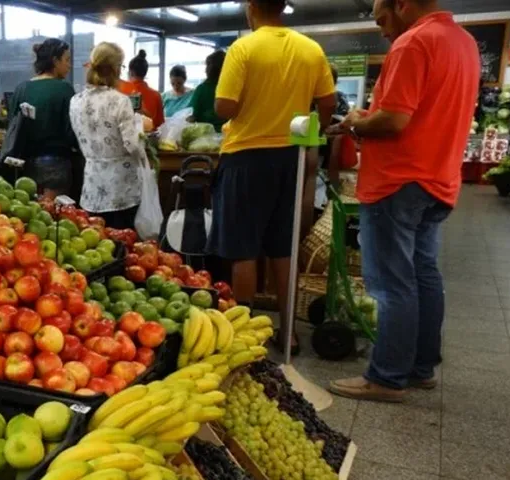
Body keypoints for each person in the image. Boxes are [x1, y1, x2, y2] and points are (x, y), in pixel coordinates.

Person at [327, 0, 479, 402]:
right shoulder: (463, 42)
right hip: (438, 179)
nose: (381, 30)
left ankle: (387, 376)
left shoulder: (414, 42)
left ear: (403, 5)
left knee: (391, 283)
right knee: (423, 275)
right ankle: (419, 368)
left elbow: (394, 120)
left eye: (381, 19)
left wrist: (357, 123)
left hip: (399, 182)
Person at [206, 0, 337, 355]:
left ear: (251, 8)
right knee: (284, 246)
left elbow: (224, 106)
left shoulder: (244, 47)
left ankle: (248, 334)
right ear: (283, 7)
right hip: (290, 158)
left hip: (245, 157)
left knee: (242, 248)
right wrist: (315, 132)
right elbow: (328, 101)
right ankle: (289, 332)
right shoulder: (310, 49)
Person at [69, 42, 147, 229]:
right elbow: (132, 145)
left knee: (97, 242)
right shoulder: (120, 101)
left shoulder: (75, 101)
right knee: (123, 244)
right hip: (121, 189)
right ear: (115, 69)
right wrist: (141, 132)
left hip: (91, 186)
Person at [7, 38, 77, 198]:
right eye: (66, 60)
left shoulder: (21, 89)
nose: (69, 65)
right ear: (55, 61)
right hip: (56, 164)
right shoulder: (64, 89)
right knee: (55, 215)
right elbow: (71, 131)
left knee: (31, 213)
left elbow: (12, 126)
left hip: (25, 165)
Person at [118, 50, 165, 129]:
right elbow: (160, 124)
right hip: (149, 138)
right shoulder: (156, 95)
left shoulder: (121, 90)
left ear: (131, 72)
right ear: (145, 73)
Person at [189, 50, 227, 132]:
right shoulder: (232, 87)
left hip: (204, 137)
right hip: (229, 134)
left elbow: (191, 115)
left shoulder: (202, 89)